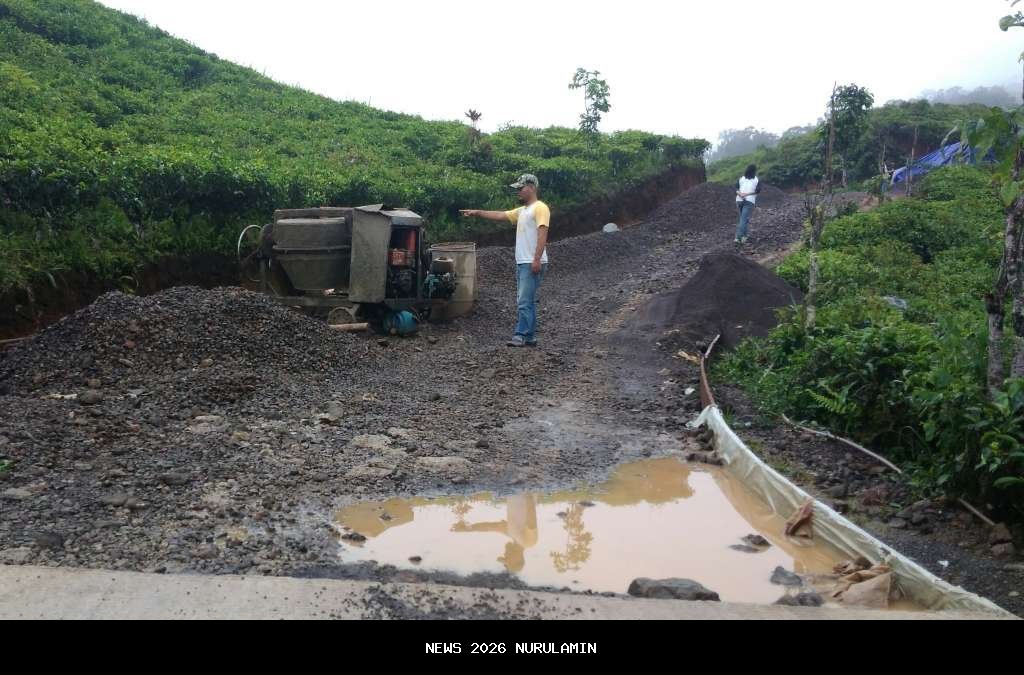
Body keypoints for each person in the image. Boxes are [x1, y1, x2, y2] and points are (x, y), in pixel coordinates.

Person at [460, 174, 550, 347]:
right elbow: (500, 215)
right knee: (526, 300)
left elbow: (543, 233)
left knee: (524, 300)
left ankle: (521, 334)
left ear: (531, 187)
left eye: (520, 188)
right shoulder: (522, 211)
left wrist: (536, 259)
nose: (518, 192)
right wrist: (477, 212)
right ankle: (529, 337)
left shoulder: (540, 208)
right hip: (523, 262)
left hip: (531, 261)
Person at [735, 164, 761, 246]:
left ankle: (744, 237)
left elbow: (735, 188)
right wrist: (747, 194)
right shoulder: (756, 180)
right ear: (754, 171)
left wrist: (740, 194)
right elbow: (757, 191)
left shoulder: (741, 178)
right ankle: (738, 237)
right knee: (743, 219)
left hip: (739, 200)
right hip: (749, 201)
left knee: (744, 219)